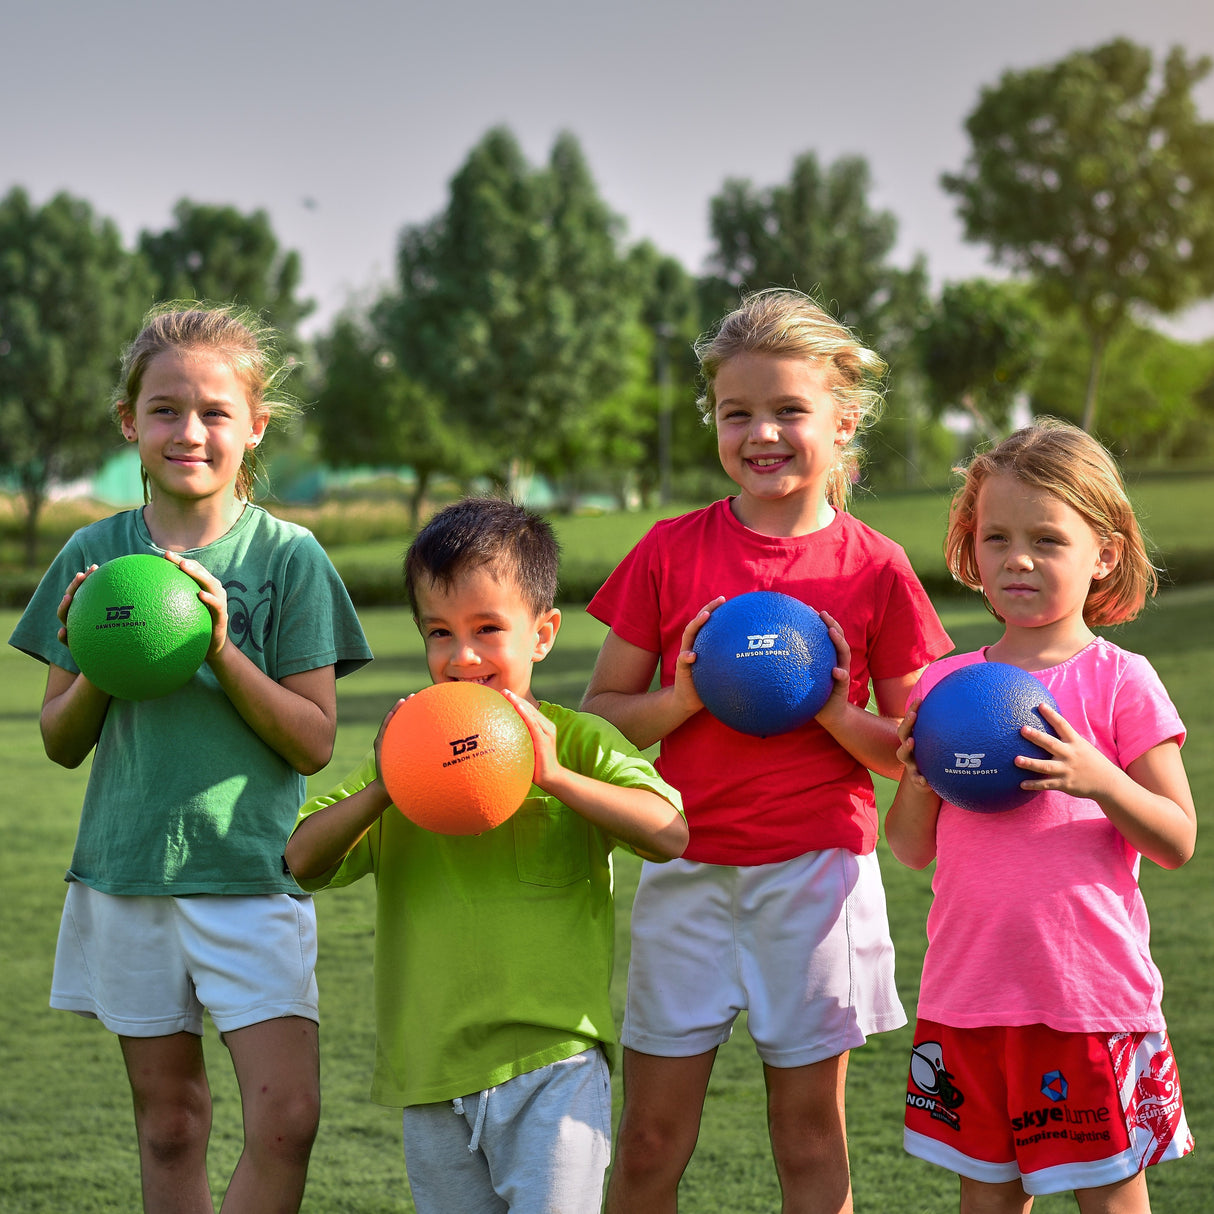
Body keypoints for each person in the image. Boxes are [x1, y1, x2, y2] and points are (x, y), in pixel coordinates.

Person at [582, 288, 953, 1214]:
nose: (762, 434)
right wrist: (683, 697)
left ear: (842, 421)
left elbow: (917, 753)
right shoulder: (668, 550)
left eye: (789, 410)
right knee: (648, 1142)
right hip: (685, 868)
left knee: (809, 1137)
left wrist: (830, 711)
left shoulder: (876, 567)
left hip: (817, 879)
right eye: (736, 412)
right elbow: (602, 721)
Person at [8, 304, 373, 1214]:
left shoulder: (289, 557)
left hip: (250, 874)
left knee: (287, 1120)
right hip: (128, 872)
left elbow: (314, 738)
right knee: (170, 1124)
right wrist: (102, 664)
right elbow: (60, 741)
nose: (190, 432)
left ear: (255, 426)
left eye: (215, 411)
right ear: (128, 422)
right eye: (165, 409)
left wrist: (218, 649)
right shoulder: (94, 555)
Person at [285, 496, 688, 1214]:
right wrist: (385, 788)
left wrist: (556, 778)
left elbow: (668, 831)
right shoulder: (405, 756)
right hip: (430, 1071)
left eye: (487, 629)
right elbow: (303, 861)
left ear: (543, 634)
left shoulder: (578, 741)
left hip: (554, 1062)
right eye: (439, 632)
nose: (461, 656)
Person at [886, 419, 1196, 1213]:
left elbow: (1177, 838)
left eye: (1047, 540)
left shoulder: (1120, 681)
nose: (1017, 558)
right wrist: (917, 779)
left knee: (1111, 1200)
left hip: (1088, 1003)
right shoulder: (946, 686)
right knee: (987, 1202)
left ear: (1104, 555)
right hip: (969, 997)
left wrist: (1101, 780)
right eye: (996, 537)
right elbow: (910, 848)